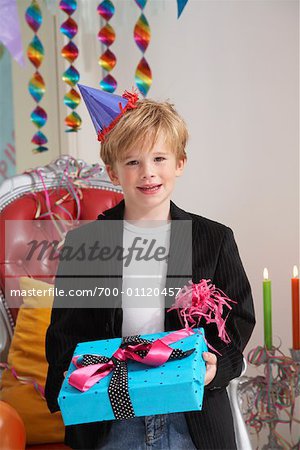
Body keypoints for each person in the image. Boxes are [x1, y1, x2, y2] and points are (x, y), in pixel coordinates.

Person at [45, 85, 255, 449]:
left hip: (192, 417)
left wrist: (215, 367)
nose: (148, 173)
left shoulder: (213, 238)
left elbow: (237, 319)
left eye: (159, 158)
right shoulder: (86, 245)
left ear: (180, 163)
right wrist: (76, 373)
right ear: (113, 172)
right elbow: (64, 333)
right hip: (111, 418)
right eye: (132, 162)